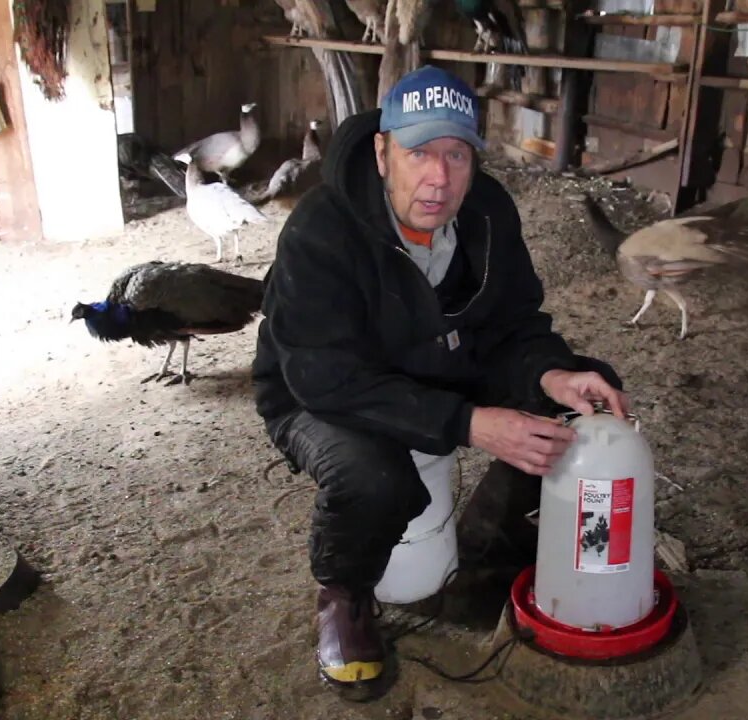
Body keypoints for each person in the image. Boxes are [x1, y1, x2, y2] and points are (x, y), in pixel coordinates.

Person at [251, 65, 629, 689]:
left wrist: (554, 371)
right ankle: (344, 597)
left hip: (436, 362)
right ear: (381, 153)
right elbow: (326, 376)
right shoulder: (322, 229)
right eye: (418, 151)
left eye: (457, 154)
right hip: (318, 394)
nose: (439, 177)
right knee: (374, 478)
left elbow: (512, 325)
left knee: (584, 396)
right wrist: (470, 424)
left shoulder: (486, 214)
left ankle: (489, 543)